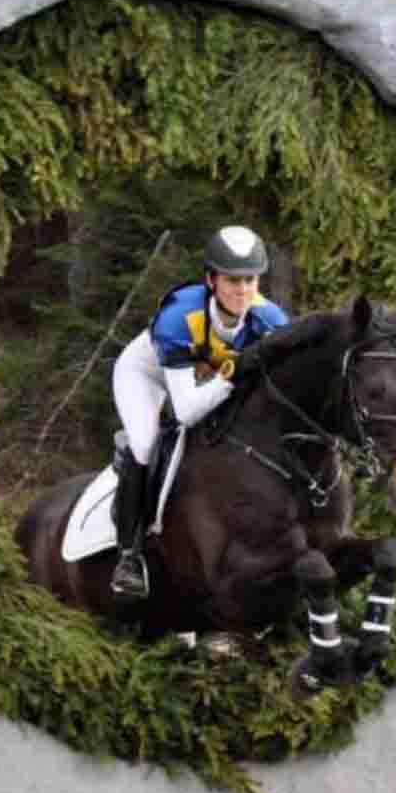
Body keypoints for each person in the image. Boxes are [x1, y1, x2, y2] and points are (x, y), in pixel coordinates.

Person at [108, 225, 289, 602]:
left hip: (204, 382)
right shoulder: (181, 316)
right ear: (211, 279)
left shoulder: (271, 320)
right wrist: (234, 373)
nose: (242, 291)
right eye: (231, 280)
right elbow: (187, 409)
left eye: (250, 280)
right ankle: (129, 555)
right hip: (147, 376)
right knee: (145, 445)